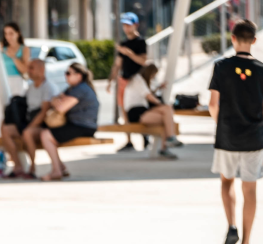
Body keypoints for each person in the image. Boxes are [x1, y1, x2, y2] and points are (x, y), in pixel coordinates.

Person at [209, 20, 263, 244]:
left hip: (227, 136)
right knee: (250, 189)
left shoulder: (221, 67)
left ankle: (231, 225)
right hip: (254, 137)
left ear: (233, 38)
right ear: (254, 40)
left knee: (226, 182)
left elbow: (213, 105)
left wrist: (220, 125)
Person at [39, 62, 99, 181]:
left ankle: (57, 171)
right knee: (45, 133)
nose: (66, 76)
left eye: (68, 73)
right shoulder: (72, 88)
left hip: (83, 126)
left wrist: (57, 101)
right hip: (78, 124)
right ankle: (60, 167)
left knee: (46, 135)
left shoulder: (80, 89)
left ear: (79, 76)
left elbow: (60, 107)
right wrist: (57, 101)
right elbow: (55, 100)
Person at [1, 58, 56, 179]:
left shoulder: (48, 87)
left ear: (41, 70)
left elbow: (44, 112)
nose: (29, 70)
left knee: (27, 133)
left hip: (42, 125)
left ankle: (32, 168)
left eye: (32, 68)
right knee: (5, 129)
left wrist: (29, 127)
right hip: (28, 121)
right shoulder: (30, 86)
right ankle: (18, 166)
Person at [123, 62, 182, 160]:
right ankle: (170, 139)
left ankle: (164, 147)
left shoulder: (139, 80)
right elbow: (148, 96)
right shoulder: (137, 79)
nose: (153, 78)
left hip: (142, 111)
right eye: (153, 75)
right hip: (135, 112)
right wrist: (160, 103)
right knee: (167, 109)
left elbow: (147, 93)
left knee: (165, 118)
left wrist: (158, 88)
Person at [108, 12, 148, 152]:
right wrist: (110, 81)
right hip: (124, 80)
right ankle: (129, 140)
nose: (126, 27)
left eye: (128, 25)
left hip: (137, 81)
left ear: (135, 25)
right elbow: (117, 64)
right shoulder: (123, 43)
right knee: (123, 110)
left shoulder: (140, 42)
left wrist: (128, 53)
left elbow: (143, 61)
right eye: (124, 25)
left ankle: (145, 137)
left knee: (139, 109)